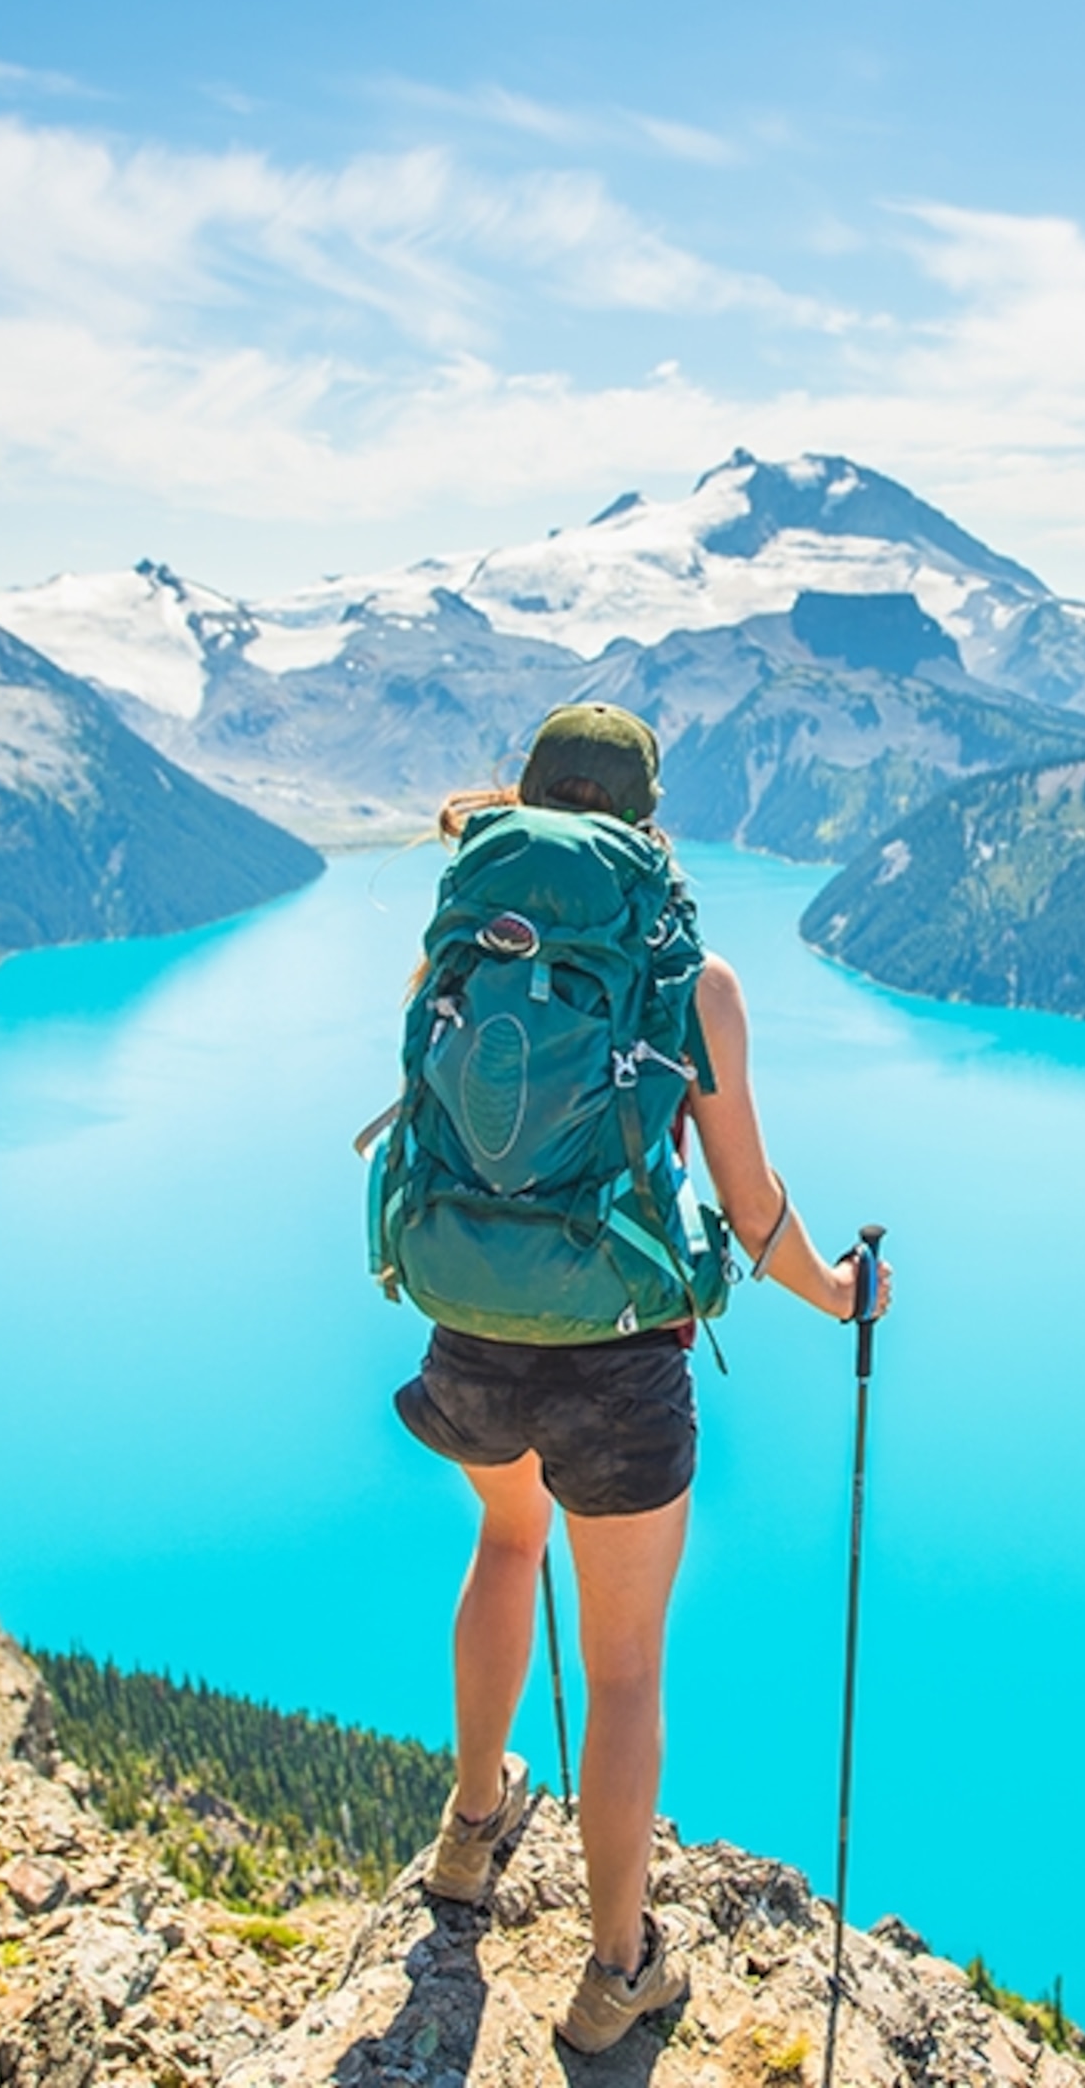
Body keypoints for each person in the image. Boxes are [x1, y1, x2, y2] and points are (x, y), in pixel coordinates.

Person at [385, 703, 889, 2055]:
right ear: (646, 820)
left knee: (505, 1544)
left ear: (530, 798)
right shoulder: (690, 979)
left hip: (470, 1328)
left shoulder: (462, 940)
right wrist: (842, 1293)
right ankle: (619, 1971)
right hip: (617, 1366)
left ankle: (471, 1828)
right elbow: (752, 1206)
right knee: (621, 1672)